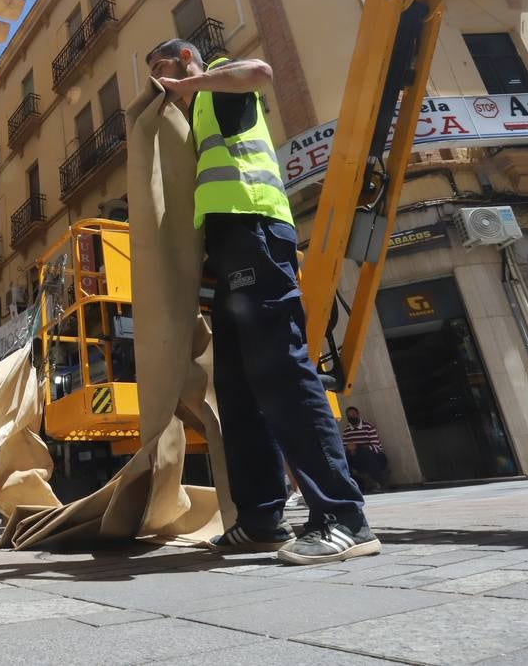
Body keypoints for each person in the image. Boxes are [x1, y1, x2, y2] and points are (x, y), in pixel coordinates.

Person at [148, 39, 379, 566]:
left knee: (280, 370)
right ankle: (259, 521)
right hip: (230, 249)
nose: (160, 84)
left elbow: (261, 69)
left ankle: (344, 517)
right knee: (234, 388)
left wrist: (190, 85)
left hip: (256, 229)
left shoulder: (217, 85)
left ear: (187, 60)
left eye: (163, 70)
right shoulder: (195, 118)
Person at [342, 407, 389, 492]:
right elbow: (345, 446)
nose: (351, 417)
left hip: (375, 457)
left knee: (365, 453)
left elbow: (376, 447)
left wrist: (357, 447)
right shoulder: (347, 431)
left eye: (353, 414)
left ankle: (380, 483)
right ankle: (355, 486)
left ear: (358, 414)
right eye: (349, 416)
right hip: (356, 457)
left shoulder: (368, 427)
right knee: (343, 459)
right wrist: (351, 450)